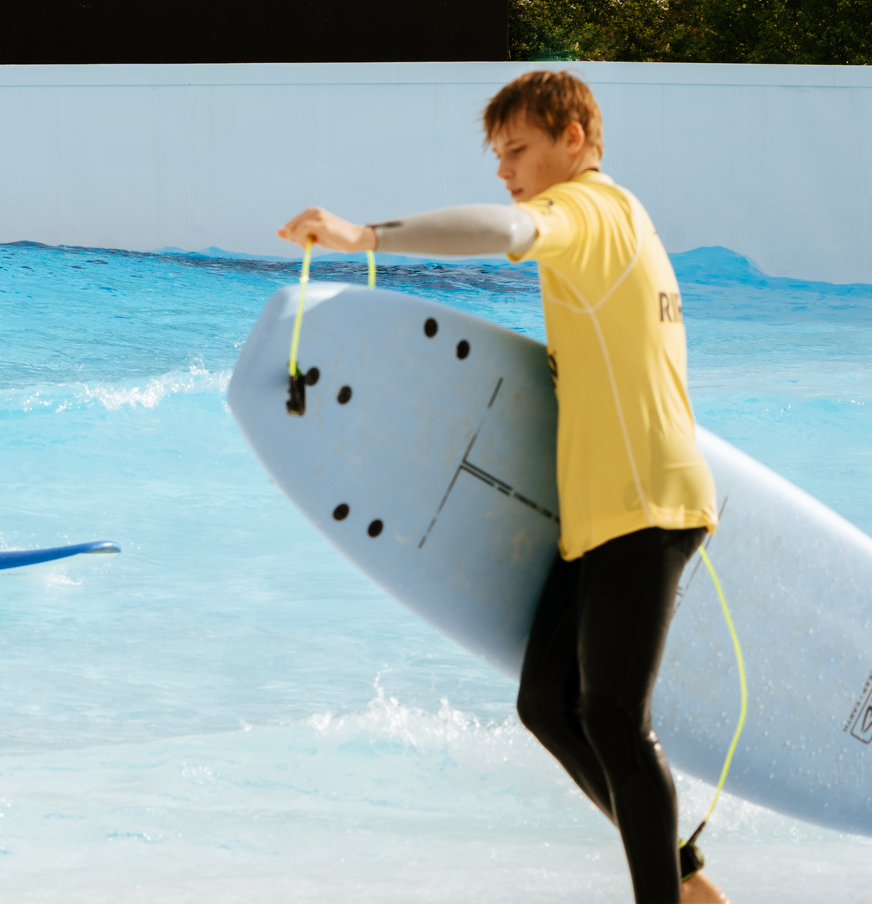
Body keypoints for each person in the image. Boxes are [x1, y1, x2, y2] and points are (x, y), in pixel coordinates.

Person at [276, 70, 726, 904]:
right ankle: (686, 881)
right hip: (597, 516)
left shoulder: (589, 210)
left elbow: (503, 228)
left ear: (576, 139)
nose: (503, 168)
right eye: (498, 153)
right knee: (549, 703)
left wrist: (363, 234)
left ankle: (668, 896)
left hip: (643, 505)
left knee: (618, 718)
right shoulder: (613, 226)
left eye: (518, 148)